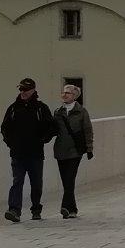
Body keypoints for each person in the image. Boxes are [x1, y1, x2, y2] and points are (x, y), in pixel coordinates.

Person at [1, 78, 56, 222]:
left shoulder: (40, 108)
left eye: (25, 90)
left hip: (35, 153)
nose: (22, 92)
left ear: (32, 90)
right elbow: (5, 128)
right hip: (17, 153)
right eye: (20, 89)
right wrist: (11, 143)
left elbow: (51, 127)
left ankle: (36, 209)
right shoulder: (13, 108)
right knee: (17, 181)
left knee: (36, 182)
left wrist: (43, 139)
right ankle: (14, 210)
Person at [51, 83, 94, 220]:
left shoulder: (82, 112)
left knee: (70, 178)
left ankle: (64, 206)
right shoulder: (58, 112)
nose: (64, 95)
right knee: (66, 181)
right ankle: (72, 209)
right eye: (63, 92)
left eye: (68, 93)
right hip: (60, 150)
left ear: (75, 96)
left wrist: (89, 148)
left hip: (75, 150)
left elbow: (88, 130)